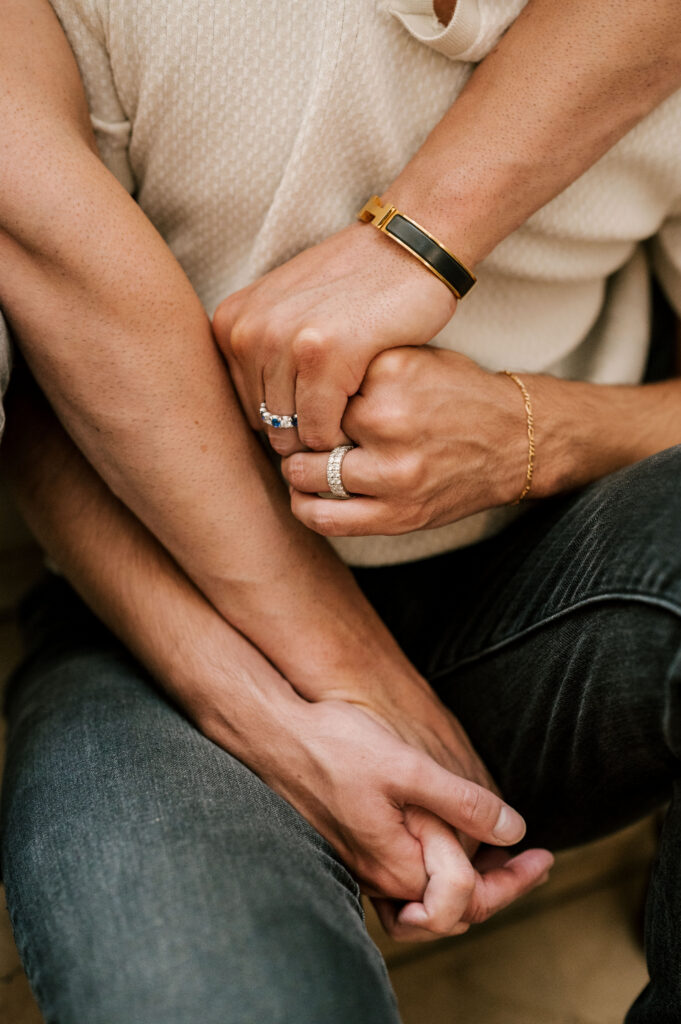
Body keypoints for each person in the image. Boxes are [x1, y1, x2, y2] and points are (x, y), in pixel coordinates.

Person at [1, 0, 681, 1021]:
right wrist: (278, 703)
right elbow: (37, 396)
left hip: (562, 585)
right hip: (161, 634)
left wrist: (532, 432)